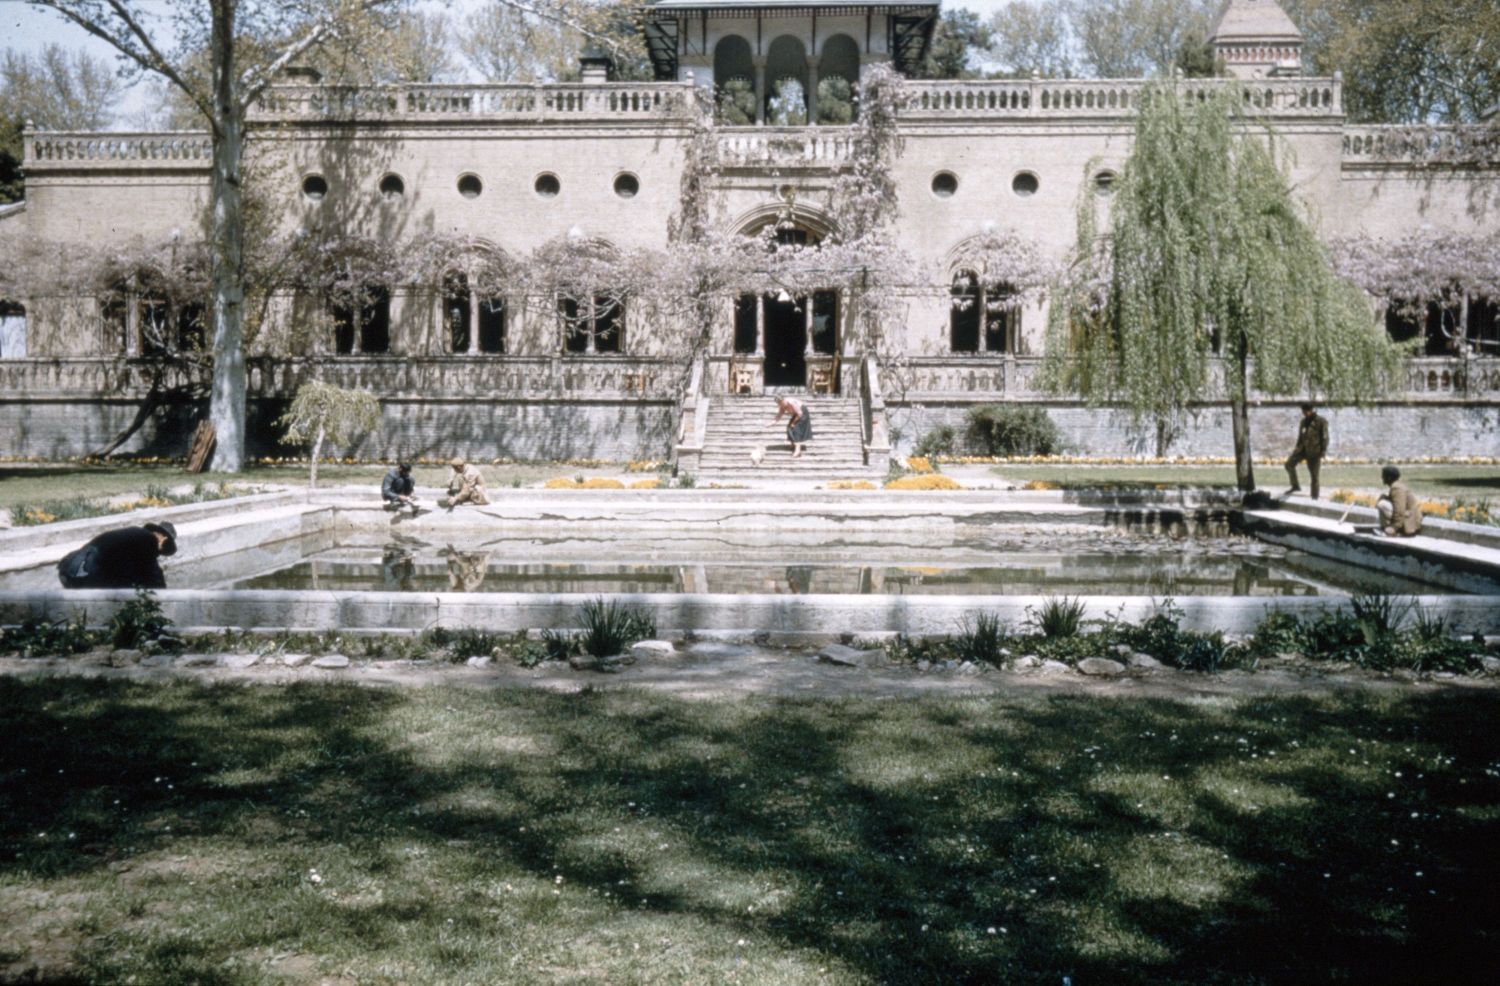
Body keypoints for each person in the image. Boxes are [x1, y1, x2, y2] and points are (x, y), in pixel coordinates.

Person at [57, 521, 177, 589]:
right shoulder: (149, 540)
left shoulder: (133, 535)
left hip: (68, 568)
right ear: (163, 539)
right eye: (164, 548)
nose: (159, 554)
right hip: (87, 573)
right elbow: (153, 576)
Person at [1283, 402, 1329, 500]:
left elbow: (1325, 437)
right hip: (1302, 450)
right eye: (1303, 411)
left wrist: (1323, 451)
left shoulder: (1321, 421)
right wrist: (1296, 449)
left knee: (1314, 476)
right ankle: (1295, 486)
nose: (1304, 413)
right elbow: (1300, 437)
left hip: (1314, 452)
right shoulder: (1303, 422)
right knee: (1289, 465)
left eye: (1306, 411)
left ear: (1311, 410)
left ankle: (1314, 497)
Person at [1377, 465, 1423, 537]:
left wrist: (1394, 527)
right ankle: (1386, 527)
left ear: (1389, 477)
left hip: (1409, 521)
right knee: (1383, 497)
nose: (1382, 478)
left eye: (1383, 476)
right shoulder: (1397, 485)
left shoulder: (1397, 488)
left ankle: (1396, 530)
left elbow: (1399, 510)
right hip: (1408, 517)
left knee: (1382, 504)